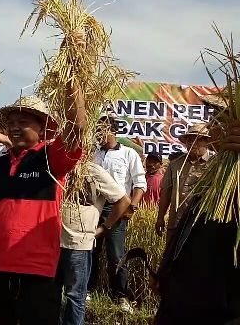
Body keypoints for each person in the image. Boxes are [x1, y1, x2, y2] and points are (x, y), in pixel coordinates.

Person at [0, 86, 86, 324]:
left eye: (24, 121)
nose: (15, 127)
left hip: (38, 270)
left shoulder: (51, 158)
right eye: (12, 123)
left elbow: (77, 128)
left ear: (42, 128)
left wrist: (72, 84)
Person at [153, 92, 240, 324]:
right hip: (185, 293)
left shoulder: (231, 177)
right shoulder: (190, 168)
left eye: (219, 120)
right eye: (212, 120)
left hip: (215, 300)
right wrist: (165, 271)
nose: (212, 129)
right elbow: (172, 203)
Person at [57, 162, 131, 325]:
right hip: (51, 244)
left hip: (78, 245)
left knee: (74, 296)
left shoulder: (92, 170)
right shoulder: (54, 165)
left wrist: (104, 227)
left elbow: (123, 200)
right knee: (51, 294)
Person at [89, 115, 146, 312]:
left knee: (116, 254)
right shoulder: (93, 154)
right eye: (97, 130)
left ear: (113, 131)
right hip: (94, 209)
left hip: (119, 209)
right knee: (91, 250)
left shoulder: (129, 153)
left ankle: (121, 296)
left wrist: (132, 206)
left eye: (102, 130)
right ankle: (88, 290)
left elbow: (139, 184)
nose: (99, 134)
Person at [155, 123, 212, 245]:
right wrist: (160, 218)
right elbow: (166, 193)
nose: (192, 143)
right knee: (172, 260)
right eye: (189, 140)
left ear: (206, 142)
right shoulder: (175, 164)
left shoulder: (215, 165)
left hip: (203, 225)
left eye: (197, 140)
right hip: (177, 223)